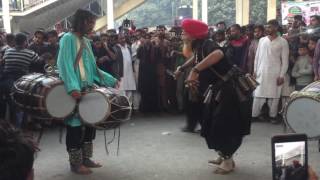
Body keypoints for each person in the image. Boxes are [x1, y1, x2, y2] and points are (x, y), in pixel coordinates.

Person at [182, 19, 251, 174]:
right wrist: (183, 67)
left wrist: (195, 71)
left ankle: (228, 160)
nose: (182, 33)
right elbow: (198, 58)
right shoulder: (199, 46)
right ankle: (223, 155)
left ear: (193, 35)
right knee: (210, 122)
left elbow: (218, 53)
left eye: (185, 31)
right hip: (218, 89)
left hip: (230, 90)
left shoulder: (208, 43)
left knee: (222, 126)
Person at [57, 9, 117, 175]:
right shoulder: (67, 39)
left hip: (88, 89)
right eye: (90, 22)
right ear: (82, 22)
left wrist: (111, 80)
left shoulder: (86, 41)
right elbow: (65, 65)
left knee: (90, 124)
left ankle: (86, 158)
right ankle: (75, 163)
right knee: (75, 127)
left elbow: (93, 67)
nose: (92, 26)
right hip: (75, 91)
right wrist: (73, 88)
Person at [252, 20, 289, 124]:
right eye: (266, 27)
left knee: (275, 96)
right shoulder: (262, 40)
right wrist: (255, 71)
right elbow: (257, 57)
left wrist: (281, 75)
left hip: (275, 73)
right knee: (258, 94)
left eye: (269, 27)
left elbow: (285, 61)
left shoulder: (283, 42)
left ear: (276, 28)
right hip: (261, 71)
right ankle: (254, 115)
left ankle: (273, 116)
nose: (267, 29)